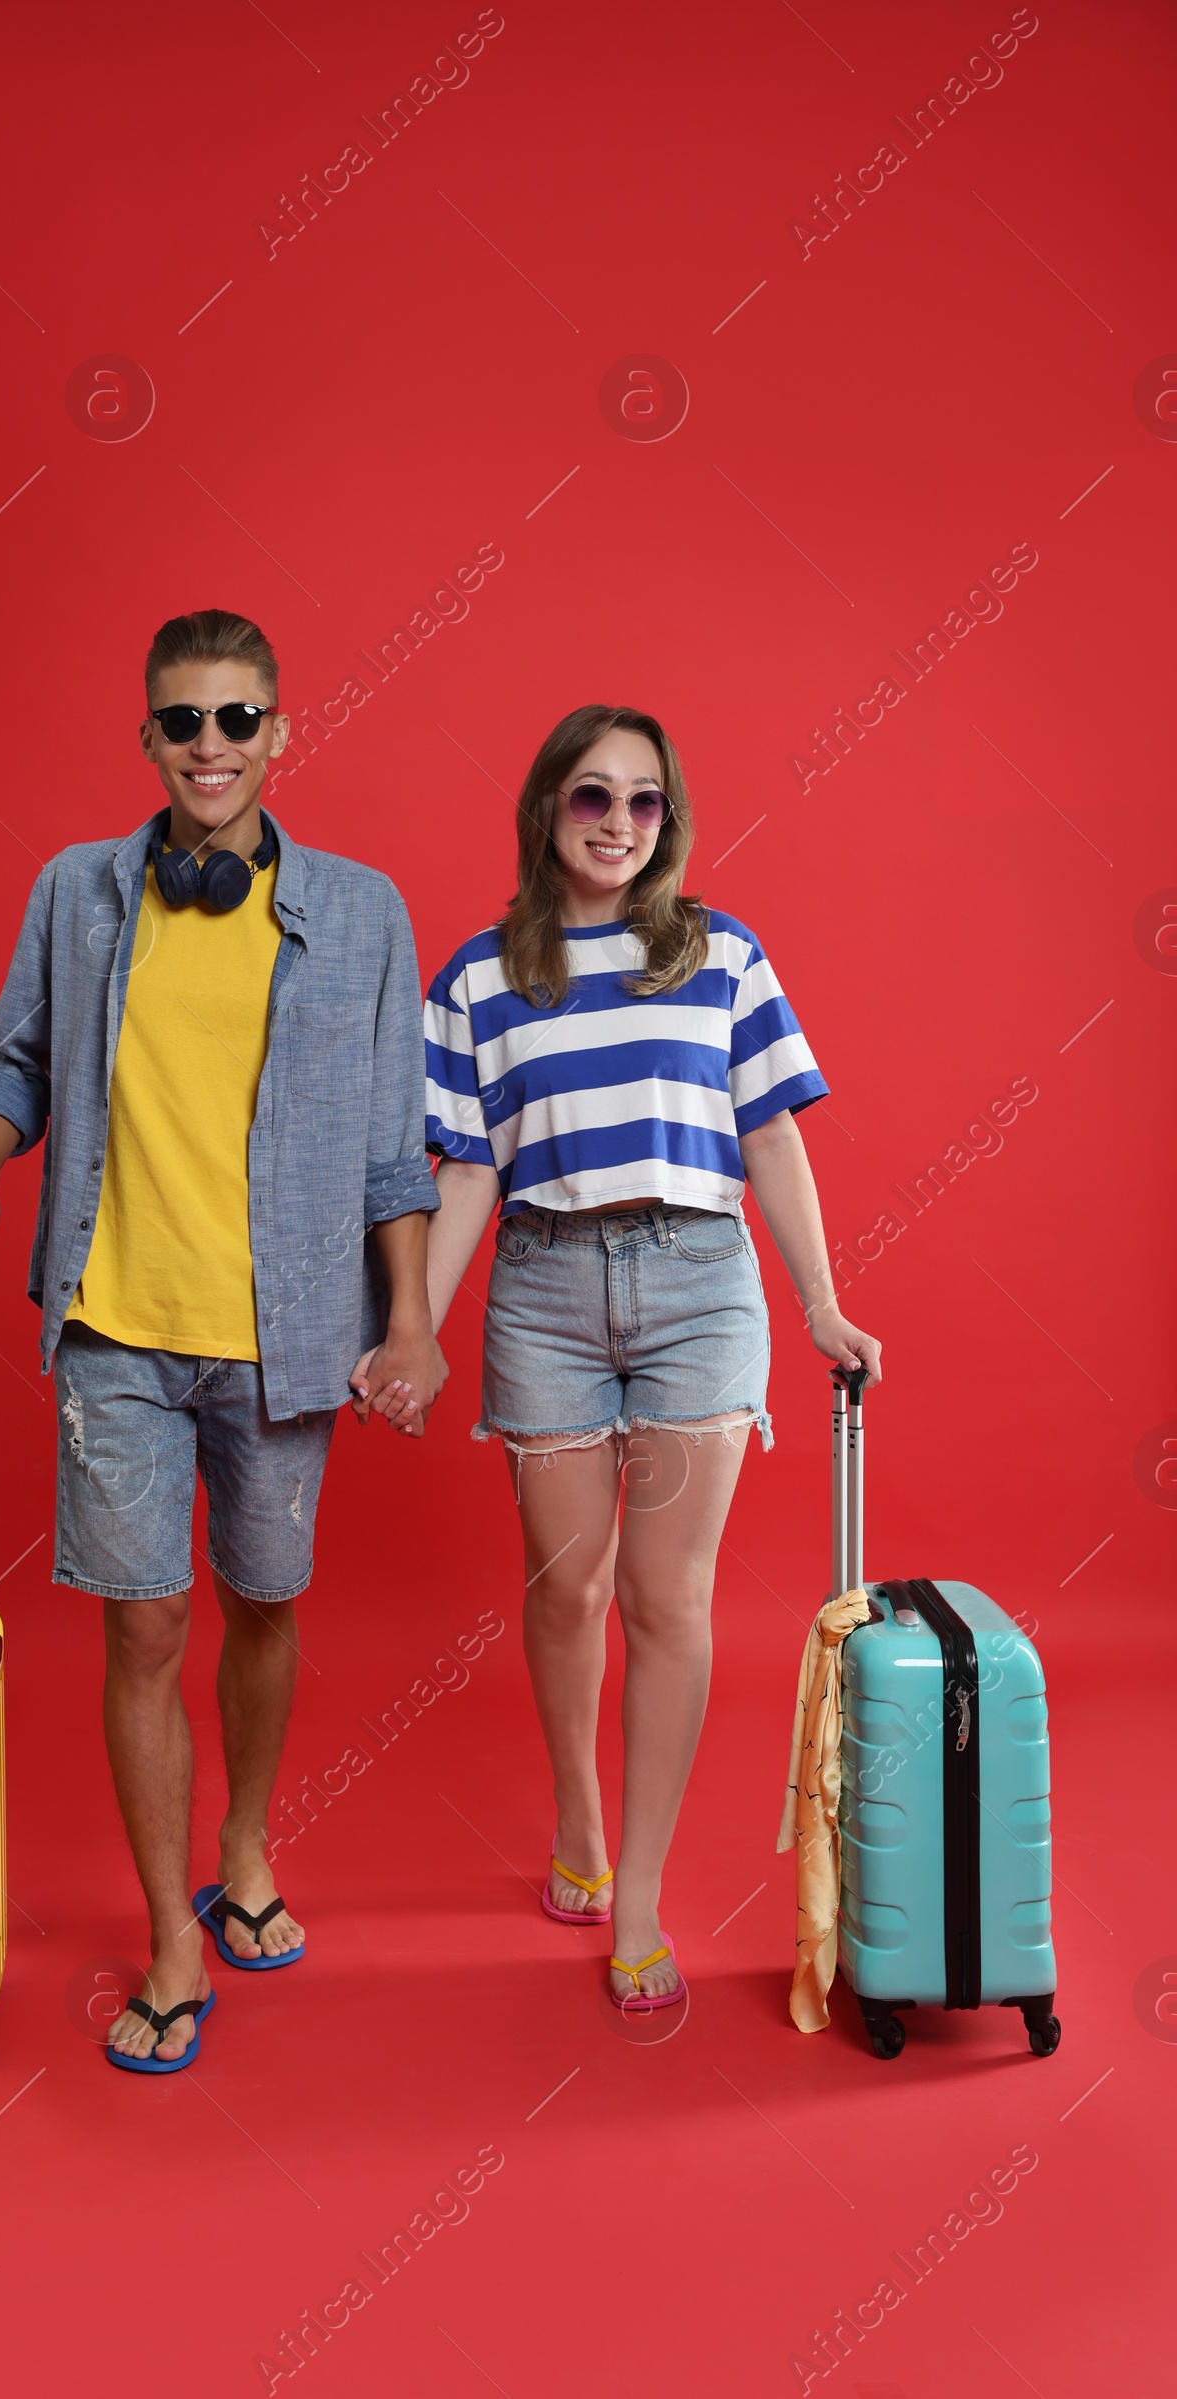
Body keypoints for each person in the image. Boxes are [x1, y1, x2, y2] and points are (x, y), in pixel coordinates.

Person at [0, 608, 446, 2071]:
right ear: (146, 739)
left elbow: (395, 1154)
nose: (208, 746)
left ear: (281, 734)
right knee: (144, 1620)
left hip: (287, 1335)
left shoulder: (364, 914)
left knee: (265, 1601)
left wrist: (408, 1321)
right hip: (115, 1326)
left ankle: (248, 1840)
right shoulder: (78, 896)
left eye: (235, 720)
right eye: (181, 721)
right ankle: (171, 1930)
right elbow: (13, 1058)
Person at [410, 704, 881, 2014]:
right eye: (591, 798)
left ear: (668, 820)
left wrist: (821, 1307)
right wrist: (411, 1329)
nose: (619, 824)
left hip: (695, 1286)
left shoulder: (720, 957)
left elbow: (774, 1140)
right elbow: (465, 1173)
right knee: (566, 1593)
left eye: (646, 802)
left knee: (667, 1603)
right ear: (545, 810)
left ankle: (646, 1903)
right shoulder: (481, 978)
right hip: (545, 1287)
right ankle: (579, 1825)